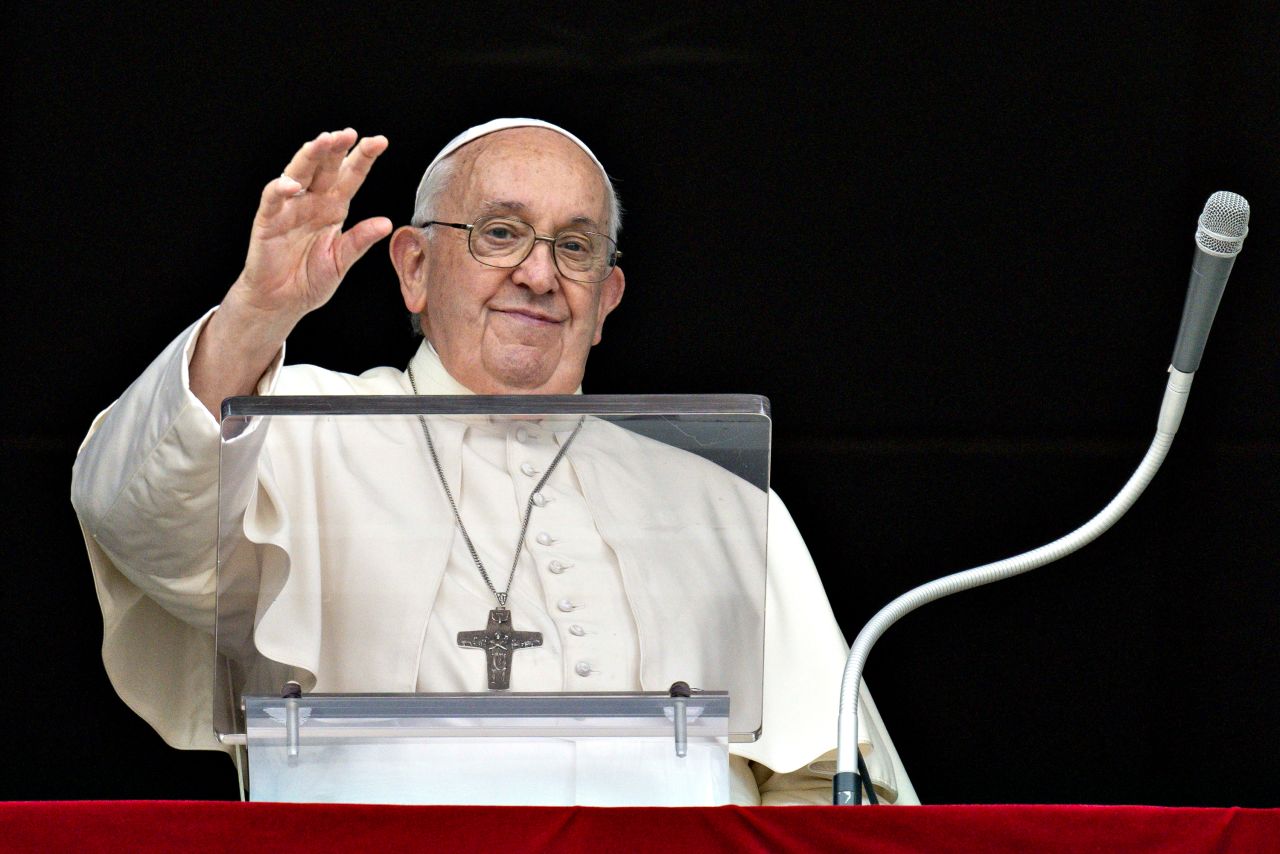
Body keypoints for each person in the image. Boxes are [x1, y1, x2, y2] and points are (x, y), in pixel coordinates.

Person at [71, 119, 917, 805]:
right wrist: (254, 315)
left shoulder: (721, 504)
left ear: (606, 303)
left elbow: (830, 777)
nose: (540, 274)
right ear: (413, 267)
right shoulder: (295, 430)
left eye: (576, 247)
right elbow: (134, 513)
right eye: (500, 233)